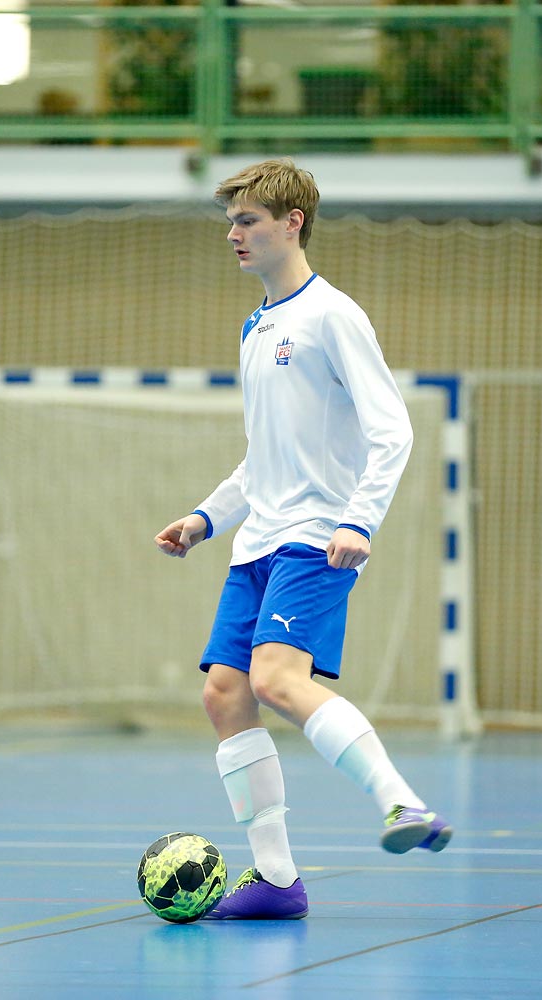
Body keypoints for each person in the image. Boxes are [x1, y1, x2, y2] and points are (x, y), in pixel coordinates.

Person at [154, 158, 452, 921]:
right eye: (229, 222)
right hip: (257, 542)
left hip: (317, 538)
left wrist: (360, 520)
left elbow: (393, 431)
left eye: (248, 221)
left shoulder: (333, 316)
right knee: (224, 694)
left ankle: (402, 805)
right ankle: (278, 881)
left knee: (276, 679)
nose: (234, 235)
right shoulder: (257, 326)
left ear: (293, 223)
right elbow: (264, 458)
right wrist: (204, 518)